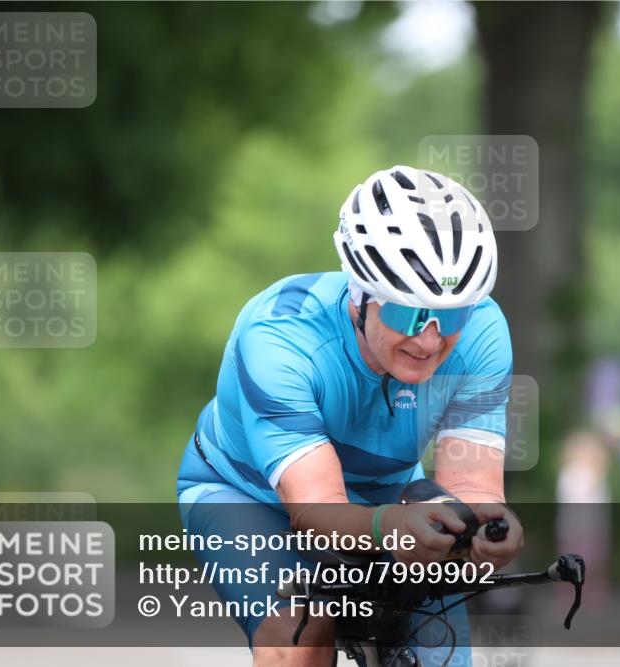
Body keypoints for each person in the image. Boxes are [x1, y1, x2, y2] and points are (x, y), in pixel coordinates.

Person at [176, 165, 522, 666]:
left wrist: (490, 530)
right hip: (248, 494)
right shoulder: (280, 338)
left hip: (390, 496)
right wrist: (392, 529)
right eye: (407, 313)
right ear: (359, 296)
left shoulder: (484, 332)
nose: (429, 340)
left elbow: (473, 488)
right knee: (301, 633)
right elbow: (315, 511)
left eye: (450, 317)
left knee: (441, 651)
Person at [556, 431, 611, 609]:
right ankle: (572, 595)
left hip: (591, 528)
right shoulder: (569, 475)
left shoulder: (597, 476)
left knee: (593, 563)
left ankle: (592, 594)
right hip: (573, 528)